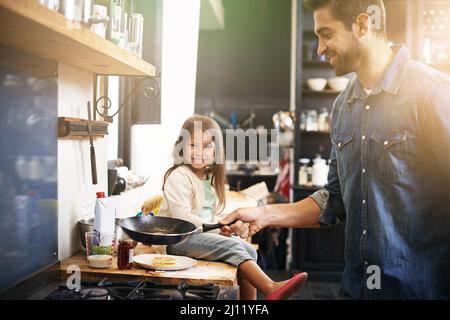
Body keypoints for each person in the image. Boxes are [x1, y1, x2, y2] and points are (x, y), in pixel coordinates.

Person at [221, 0, 450, 299]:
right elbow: (335, 198)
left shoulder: (432, 92)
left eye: (326, 33)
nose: (319, 49)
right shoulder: (344, 107)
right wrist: (264, 215)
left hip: (418, 291)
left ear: (363, 24)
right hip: (358, 288)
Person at [158, 115, 308, 300]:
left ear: (216, 151)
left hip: (197, 236)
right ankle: (270, 288)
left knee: (250, 250)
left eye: (207, 146)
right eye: (192, 145)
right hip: (177, 241)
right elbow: (184, 218)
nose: (199, 152)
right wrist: (219, 229)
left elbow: (207, 214)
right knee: (234, 248)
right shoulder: (179, 176)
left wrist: (224, 228)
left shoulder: (208, 177)